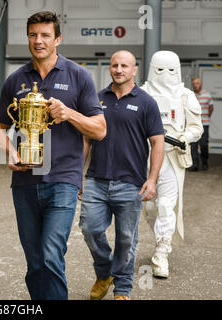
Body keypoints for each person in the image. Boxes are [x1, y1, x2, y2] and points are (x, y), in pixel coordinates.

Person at [0, 11, 106, 300]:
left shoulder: (79, 75)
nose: (38, 41)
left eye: (45, 35)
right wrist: (11, 152)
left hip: (63, 179)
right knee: (34, 262)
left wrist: (68, 113)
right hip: (25, 181)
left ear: (58, 39)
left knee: (51, 255)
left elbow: (99, 130)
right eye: (33, 35)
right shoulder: (15, 80)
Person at [79, 50, 165, 300]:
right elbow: (87, 138)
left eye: (124, 65)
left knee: (127, 239)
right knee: (89, 228)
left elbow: (157, 142)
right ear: (110, 68)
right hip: (96, 179)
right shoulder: (97, 99)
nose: (119, 69)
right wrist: (77, 175)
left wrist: (152, 179)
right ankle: (105, 272)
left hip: (131, 183)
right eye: (114, 65)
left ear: (134, 70)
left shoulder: (146, 102)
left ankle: (123, 290)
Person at [141, 51, 203, 278]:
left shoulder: (185, 96)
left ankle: (161, 252)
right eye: (160, 70)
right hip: (144, 158)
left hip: (172, 158)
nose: (164, 75)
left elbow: (197, 127)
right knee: (149, 209)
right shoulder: (142, 93)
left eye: (169, 70)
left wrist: (185, 137)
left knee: (166, 204)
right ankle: (160, 239)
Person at [190, 77, 214, 171]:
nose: (195, 85)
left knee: (203, 144)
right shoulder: (191, 95)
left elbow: (211, 107)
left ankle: (204, 162)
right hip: (193, 125)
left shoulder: (207, 95)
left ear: (200, 84)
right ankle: (195, 165)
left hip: (204, 124)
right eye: (194, 83)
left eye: (197, 83)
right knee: (193, 145)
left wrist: (207, 116)